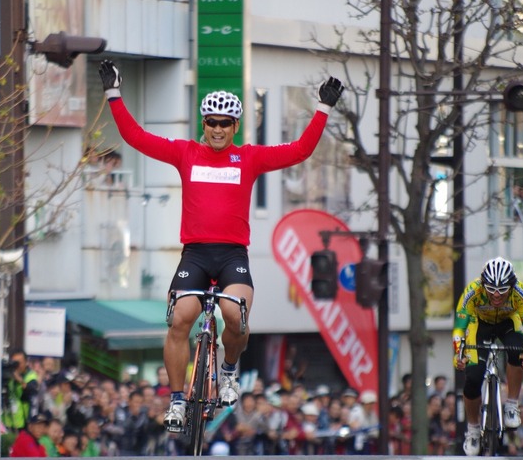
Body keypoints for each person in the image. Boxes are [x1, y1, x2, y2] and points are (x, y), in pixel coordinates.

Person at [97, 59, 344, 432]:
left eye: (224, 123)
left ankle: (228, 369)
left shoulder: (249, 158)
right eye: (211, 121)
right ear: (203, 124)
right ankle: (178, 401)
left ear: (235, 127)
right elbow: (136, 138)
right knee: (179, 319)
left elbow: (299, 151)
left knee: (236, 314)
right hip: (195, 253)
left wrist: (323, 108)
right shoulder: (186, 153)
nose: (217, 128)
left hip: (232, 255)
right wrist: (113, 93)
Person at [452, 257, 523, 456]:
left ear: (512, 286)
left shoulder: (521, 294)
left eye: (503, 290)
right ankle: (473, 429)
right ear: (483, 285)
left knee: (518, 350)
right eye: (491, 290)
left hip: (509, 322)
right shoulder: (472, 292)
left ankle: (511, 404)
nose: (497, 295)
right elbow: (459, 330)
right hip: (479, 324)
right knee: (473, 378)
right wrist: (458, 354)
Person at [2, 349, 41, 433]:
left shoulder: (31, 376)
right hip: (7, 419)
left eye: (19, 363)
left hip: (22, 422)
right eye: (14, 363)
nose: (17, 366)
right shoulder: (8, 374)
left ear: (26, 362)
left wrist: (19, 379)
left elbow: (31, 390)